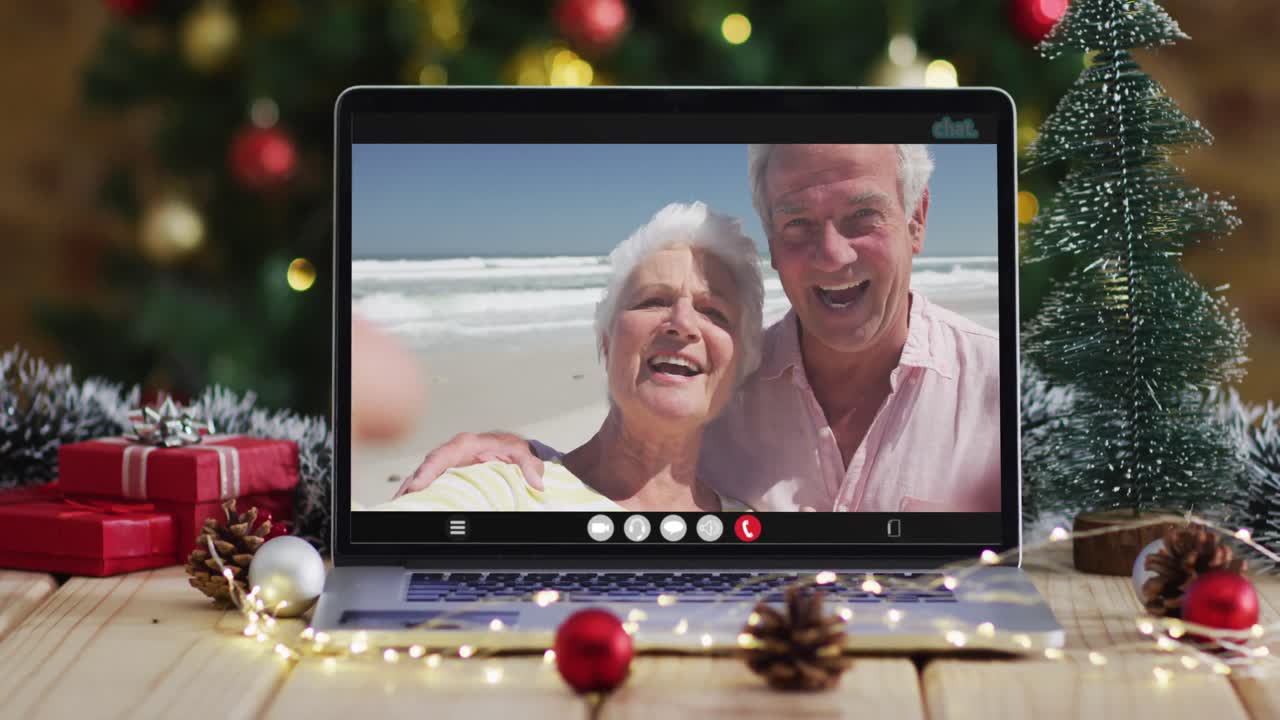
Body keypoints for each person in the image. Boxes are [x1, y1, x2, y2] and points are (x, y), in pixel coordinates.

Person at [395, 144, 1001, 513]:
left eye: (863, 216)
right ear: (772, 239)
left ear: (917, 220)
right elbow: (621, 468)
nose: (831, 254)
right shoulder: (722, 384)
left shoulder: (1004, 390)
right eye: (797, 223)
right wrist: (518, 459)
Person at [369, 201, 762, 512]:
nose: (683, 323)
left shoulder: (751, 531)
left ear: (740, 363)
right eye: (653, 301)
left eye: (713, 312)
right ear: (606, 341)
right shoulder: (505, 488)